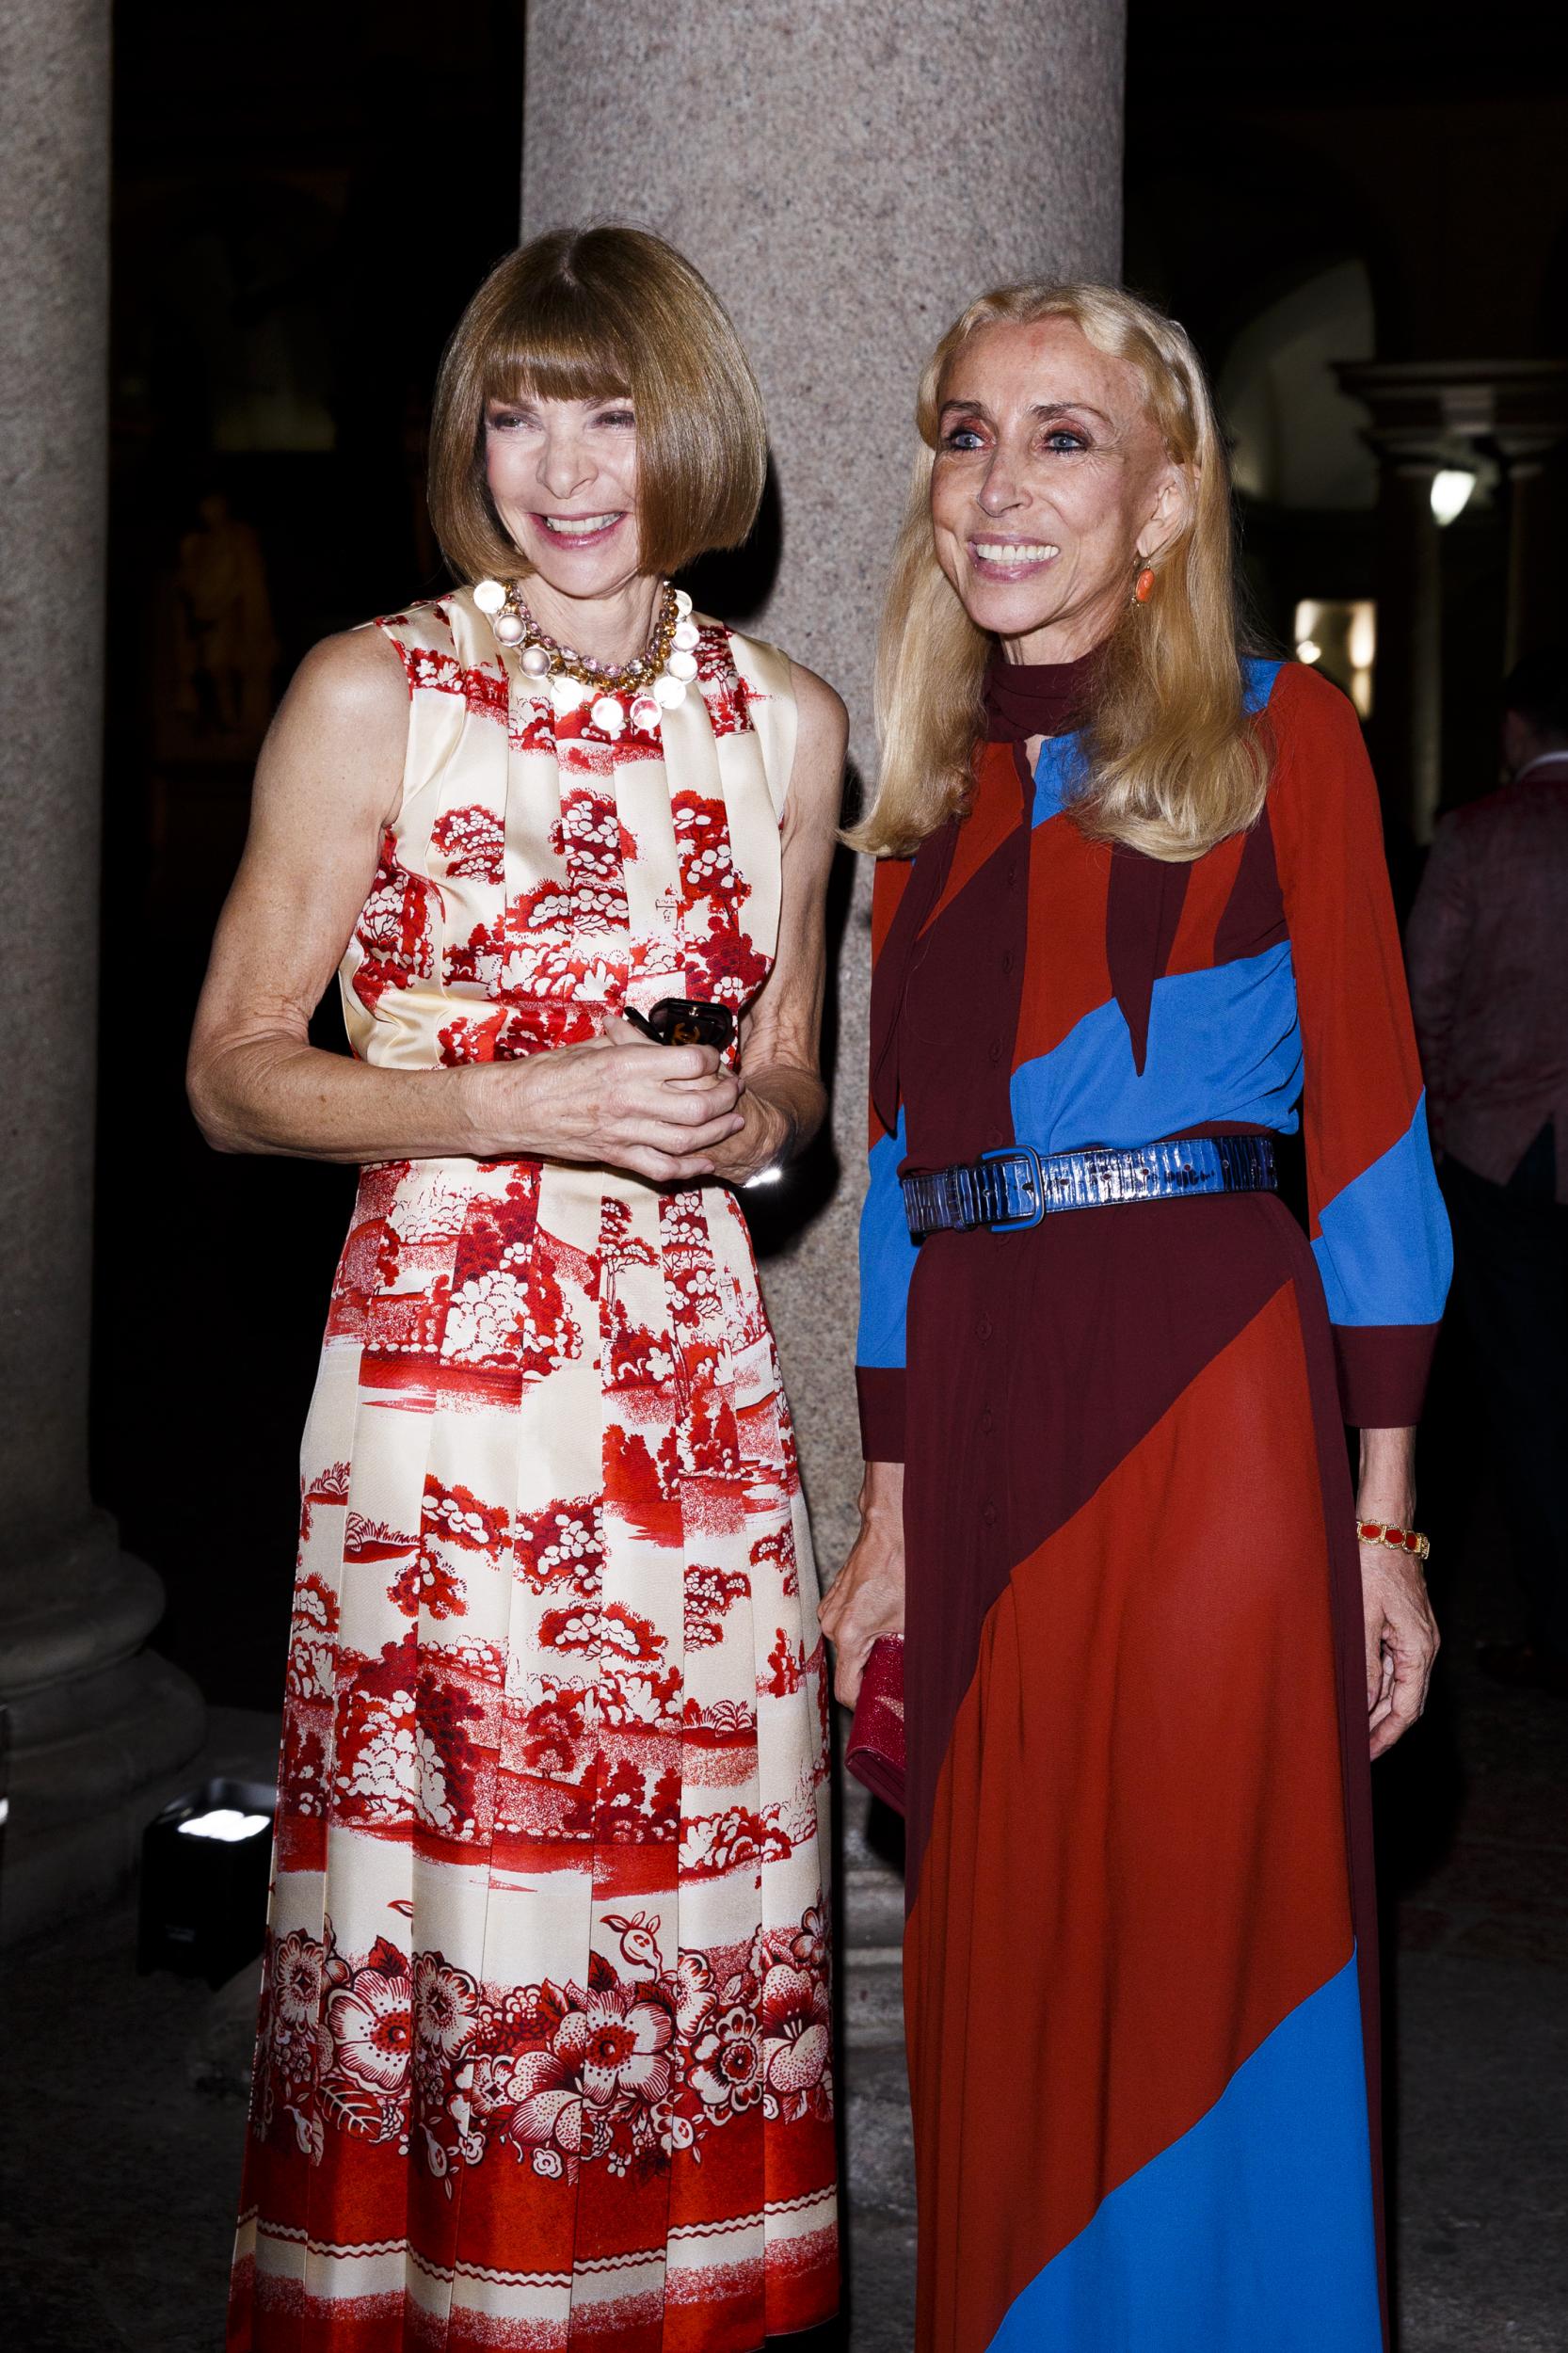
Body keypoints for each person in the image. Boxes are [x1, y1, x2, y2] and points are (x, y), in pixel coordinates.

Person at [188, 224, 845, 2352]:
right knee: (468, 1894)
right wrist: (525, 1096)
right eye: (518, 410)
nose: (565, 467)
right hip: (451, 1395)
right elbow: (230, 1076)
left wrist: (740, 1122)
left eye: (615, 410)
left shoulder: (793, 726)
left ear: (698, 432)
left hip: (694, 1403)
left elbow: (800, 1091)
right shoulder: (373, 688)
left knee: (687, 1888)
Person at [820, 280, 1450, 2350]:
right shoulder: (916, 811)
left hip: (1203, 1405)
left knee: (1199, 1930)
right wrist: (886, 1515)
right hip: (985, 1409)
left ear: (1167, 492)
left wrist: (1379, 1515)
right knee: (998, 1951)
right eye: (964, 430)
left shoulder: (1285, 737)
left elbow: (1362, 1135)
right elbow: (906, 1199)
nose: (997, 484)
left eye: (1064, 436)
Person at [1407, 648, 1568, 1696]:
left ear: (1516, 727)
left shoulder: (1474, 837)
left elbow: (1419, 1006)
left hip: (1498, 1156)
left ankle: (1553, 1634)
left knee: (1527, 1399)